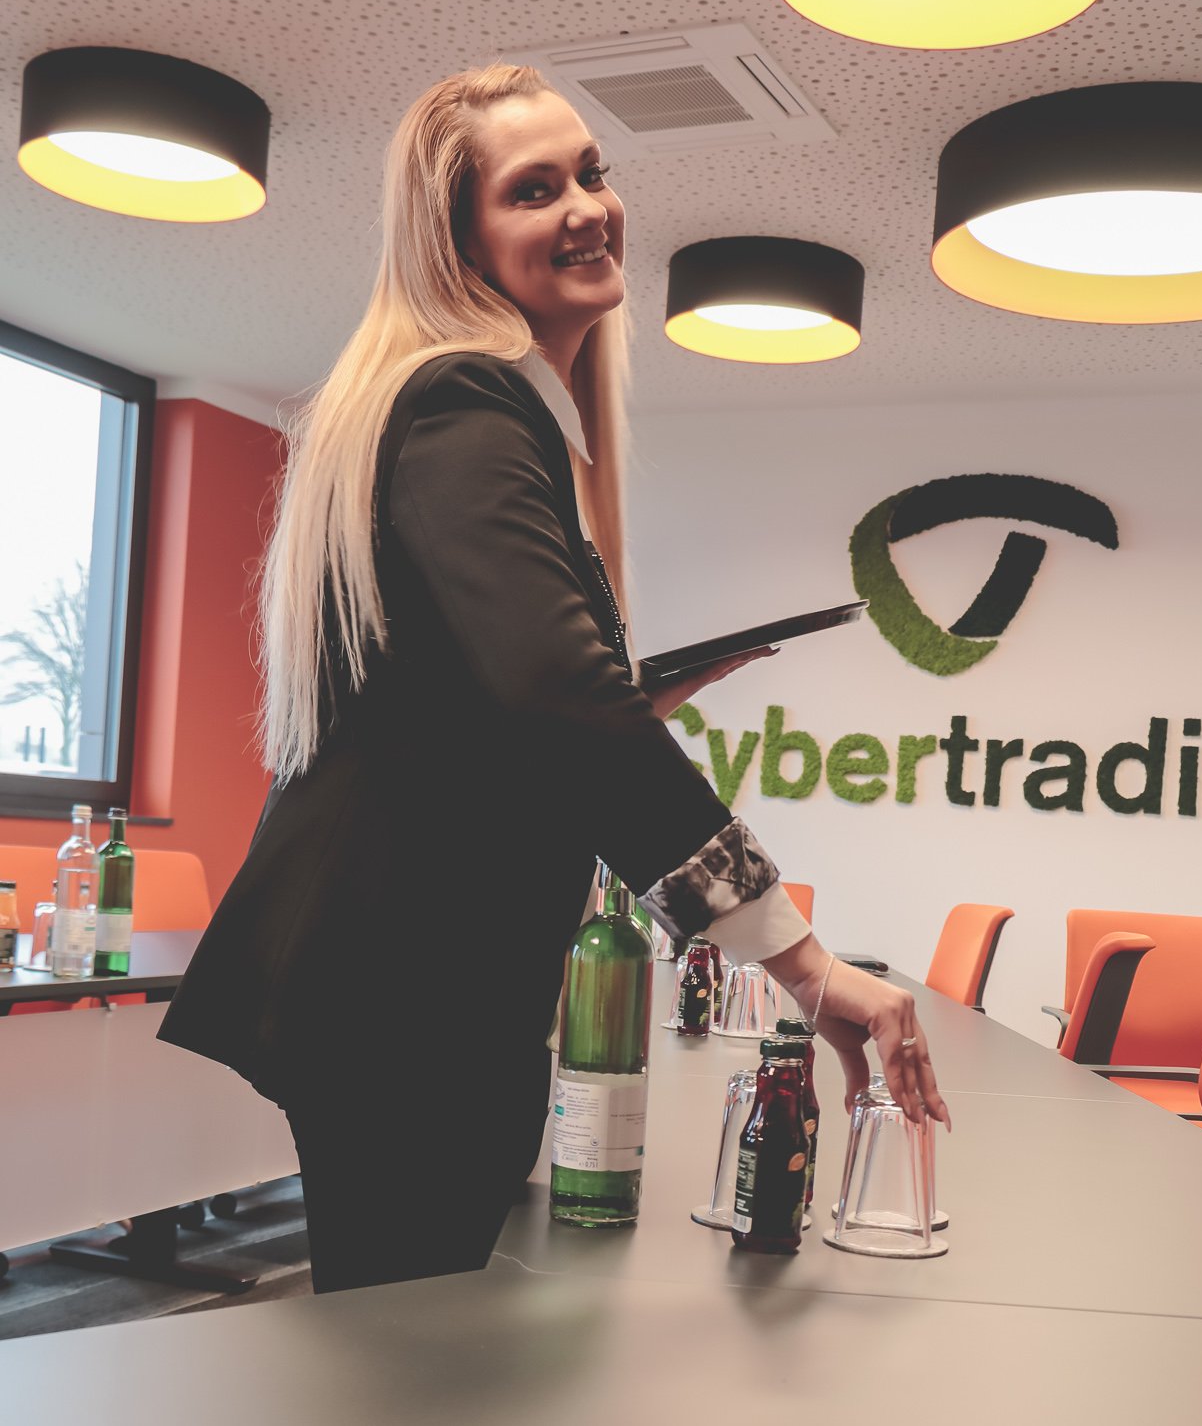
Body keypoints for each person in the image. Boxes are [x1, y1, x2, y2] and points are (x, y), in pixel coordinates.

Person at [157, 63, 950, 1294]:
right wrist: (803, 963)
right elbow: (552, 699)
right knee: (405, 1349)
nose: (587, 205)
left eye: (592, 172)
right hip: (405, 991)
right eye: (534, 190)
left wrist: (622, 707)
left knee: (405, 1332)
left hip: (398, 978)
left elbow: (476, 707)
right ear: (460, 244)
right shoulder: (469, 400)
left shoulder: (473, 411)